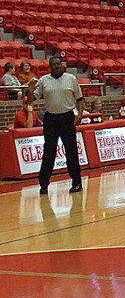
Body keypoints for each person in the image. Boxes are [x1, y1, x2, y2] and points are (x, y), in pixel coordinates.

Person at [27, 56, 85, 195]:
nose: (56, 66)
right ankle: (44, 185)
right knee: (48, 152)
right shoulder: (43, 81)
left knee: (71, 151)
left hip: (67, 117)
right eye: (53, 65)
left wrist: (80, 115)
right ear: (50, 67)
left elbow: (80, 99)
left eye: (58, 64)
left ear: (62, 65)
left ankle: (76, 183)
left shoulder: (71, 79)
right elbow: (30, 100)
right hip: (51, 119)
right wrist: (29, 89)